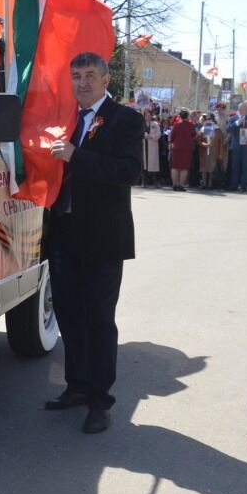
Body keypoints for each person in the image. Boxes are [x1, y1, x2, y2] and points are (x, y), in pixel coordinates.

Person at [45, 52, 144, 434]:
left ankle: (100, 401)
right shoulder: (64, 119)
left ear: (106, 80)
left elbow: (129, 171)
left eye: (89, 75)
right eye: (75, 76)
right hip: (64, 232)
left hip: (103, 237)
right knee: (69, 315)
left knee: (99, 319)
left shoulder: (126, 119)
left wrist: (77, 156)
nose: (82, 82)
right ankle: (77, 386)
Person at [168, 109, 196, 191]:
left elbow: (172, 137)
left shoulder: (176, 125)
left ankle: (174, 184)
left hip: (176, 147)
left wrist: (171, 143)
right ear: (187, 116)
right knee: (184, 167)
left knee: (175, 166)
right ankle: (181, 185)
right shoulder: (191, 125)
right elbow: (194, 135)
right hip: (187, 148)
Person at [141, 108, 161, 187]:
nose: (148, 117)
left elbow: (159, 134)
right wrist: (144, 136)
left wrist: (151, 136)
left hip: (152, 145)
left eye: (149, 115)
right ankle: (143, 181)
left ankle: (154, 181)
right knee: (144, 164)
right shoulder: (141, 124)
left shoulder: (155, 124)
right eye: (146, 115)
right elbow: (137, 133)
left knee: (152, 164)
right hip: (143, 145)